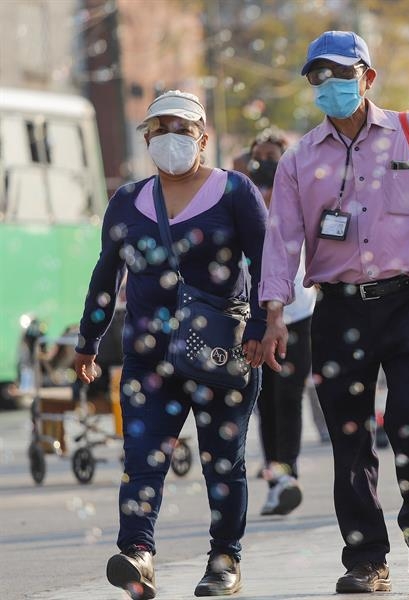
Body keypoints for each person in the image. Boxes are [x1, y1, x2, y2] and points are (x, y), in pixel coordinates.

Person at [259, 31, 409, 594]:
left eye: (339, 73)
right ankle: (365, 558)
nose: (328, 85)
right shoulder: (298, 160)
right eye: (317, 77)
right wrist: (275, 311)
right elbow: (281, 241)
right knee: (349, 436)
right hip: (338, 309)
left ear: (368, 77)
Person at [73, 90, 267, 598]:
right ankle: (138, 554)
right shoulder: (127, 201)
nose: (169, 138)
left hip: (222, 353)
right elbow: (106, 274)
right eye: (158, 129)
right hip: (147, 355)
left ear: (204, 136)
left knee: (223, 459)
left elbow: (269, 264)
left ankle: (225, 559)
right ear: (146, 139)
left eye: (181, 128)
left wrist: (266, 327)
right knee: (142, 457)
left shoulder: (235, 192)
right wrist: (88, 339)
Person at [247, 129, 317, 516]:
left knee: (288, 398)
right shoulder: (247, 197)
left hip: (298, 314)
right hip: (257, 316)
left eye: (273, 154)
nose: (266, 161)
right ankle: (276, 475)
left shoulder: (304, 193)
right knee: (265, 402)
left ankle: (287, 474)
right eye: (260, 155)